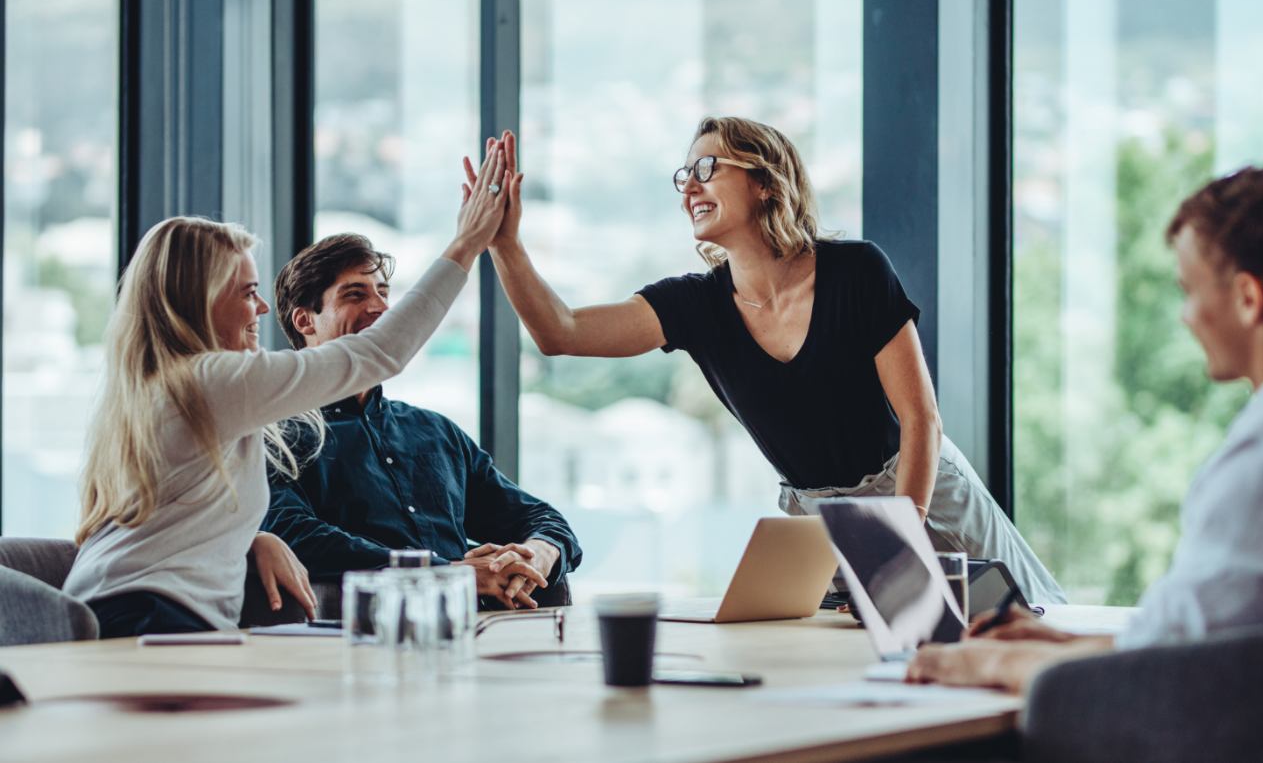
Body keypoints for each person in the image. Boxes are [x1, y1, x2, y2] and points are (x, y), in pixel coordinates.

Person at [474, 118, 1065, 603]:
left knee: (1030, 627)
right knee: (859, 668)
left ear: (764, 182)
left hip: (920, 490)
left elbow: (921, 421)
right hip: (820, 522)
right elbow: (561, 331)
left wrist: (898, 538)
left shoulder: (857, 271)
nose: (690, 188)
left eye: (708, 168)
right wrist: (506, 244)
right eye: (685, 176)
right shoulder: (696, 304)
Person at [906, 162, 1263, 692]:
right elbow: (1190, 635)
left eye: (1190, 291)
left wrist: (981, 664)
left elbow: (1159, 671)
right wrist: (1060, 642)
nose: (1186, 316)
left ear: (1249, 299)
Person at [62, 144, 513, 637]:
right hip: (148, 617)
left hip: (119, 609)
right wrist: (466, 245)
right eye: (245, 292)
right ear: (198, 301)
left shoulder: (161, 387)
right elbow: (379, 354)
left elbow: (172, 514)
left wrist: (253, 538)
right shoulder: (208, 381)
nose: (260, 309)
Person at [261, 234, 582, 610]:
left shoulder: (435, 431)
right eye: (355, 294)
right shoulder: (275, 435)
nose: (381, 307)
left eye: (383, 292)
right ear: (305, 320)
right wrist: (445, 572)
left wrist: (538, 553)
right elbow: (293, 534)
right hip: (360, 638)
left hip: (479, 634)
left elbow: (540, 517)